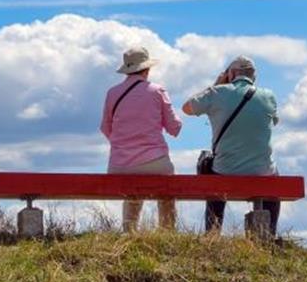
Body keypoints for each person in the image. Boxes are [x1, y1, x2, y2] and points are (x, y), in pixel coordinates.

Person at [183, 55, 281, 235]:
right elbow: (274, 121)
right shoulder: (269, 96)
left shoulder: (218, 93)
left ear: (231, 74)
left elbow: (187, 108)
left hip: (225, 170)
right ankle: (269, 234)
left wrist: (216, 85)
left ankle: (212, 232)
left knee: (208, 164)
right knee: (274, 174)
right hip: (262, 171)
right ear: (254, 76)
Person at [100, 46, 183, 232]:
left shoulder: (112, 93)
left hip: (119, 165)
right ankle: (167, 232)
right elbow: (174, 128)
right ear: (147, 69)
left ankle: (129, 232)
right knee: (168, 191)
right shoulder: (157, 91)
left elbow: (106, 128)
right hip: (154, 161)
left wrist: (124, 144)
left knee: (132, 189)